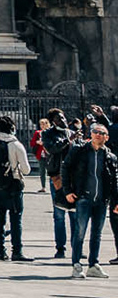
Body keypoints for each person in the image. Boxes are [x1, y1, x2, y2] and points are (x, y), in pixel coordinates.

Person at [63, 122, 117, 278]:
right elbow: (65, 168)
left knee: (96, 234)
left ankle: (93, 264)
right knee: (80, 232)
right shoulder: (79, 151)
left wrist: (116, 200)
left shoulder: (109, 156)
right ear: (91, 134)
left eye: (101, 133)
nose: (97, 134)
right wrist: (68, 191)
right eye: (95, 132)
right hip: (83, 198)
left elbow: (115, 179)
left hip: (101, 200)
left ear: (106, 137)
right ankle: (76, 265)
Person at [0, 114, 30, 261]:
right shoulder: (15, 145)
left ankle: (1, 250)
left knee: (0, 218)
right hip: (13, 186)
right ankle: (17, 251)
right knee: (16, 219)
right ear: (12, 128)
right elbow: (26, 169)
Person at [44, 108, 75, 260]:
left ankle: (77, 246)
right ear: (53, 121)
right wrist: (68, 140)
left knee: (75, 213)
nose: (63, 120)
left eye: (63, 117)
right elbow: (53, 148)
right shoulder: (48, 134)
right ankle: (60, 248)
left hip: (73, 177)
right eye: (59, 118)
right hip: (57, 176)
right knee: (59, 214)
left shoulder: (70, 132)